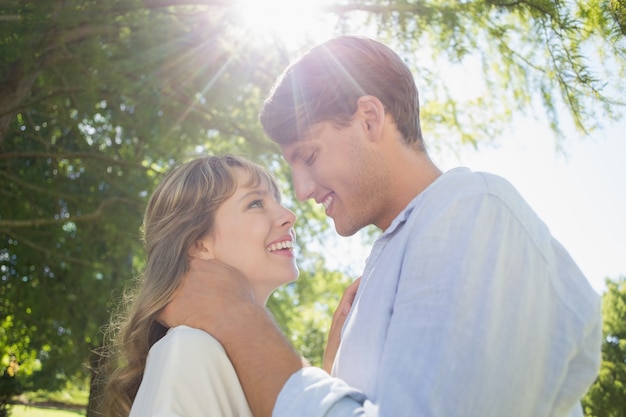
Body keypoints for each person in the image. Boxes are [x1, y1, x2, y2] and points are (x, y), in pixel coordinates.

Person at [160, 36, 603, 417]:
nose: (300, 192)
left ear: (369, 118)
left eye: (309, 157)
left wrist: (241, 322)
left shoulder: (473, 210)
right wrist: (330, 376)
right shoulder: (388, 264)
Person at [101, 154, 305, 417]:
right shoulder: (189, 349)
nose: (288, 216)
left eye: (278, 201)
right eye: (256, 203)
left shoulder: (226, 359)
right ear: (199, 244)